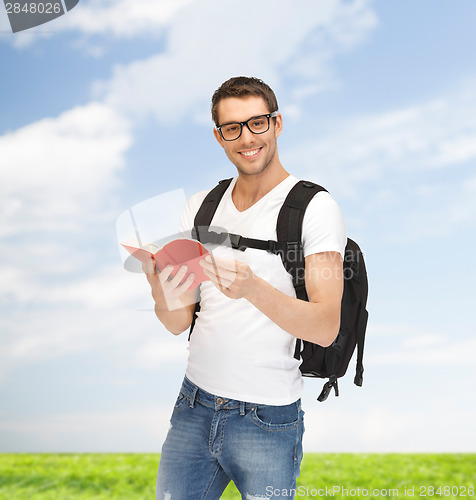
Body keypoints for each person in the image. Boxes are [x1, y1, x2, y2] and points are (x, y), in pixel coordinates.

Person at [143, 76, 347, 499]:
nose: (247, 138)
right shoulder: (199, 208)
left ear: (277, 124)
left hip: (267, 418)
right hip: (193, 406)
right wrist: (158, 282)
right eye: (232, 128)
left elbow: (326, 326)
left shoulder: (315, 209)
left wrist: (253, 288)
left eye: (257, 123)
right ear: (219, 137)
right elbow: (178, 321)